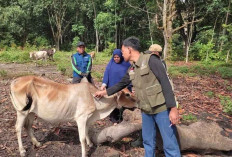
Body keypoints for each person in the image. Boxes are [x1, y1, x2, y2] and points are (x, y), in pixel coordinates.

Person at [95, 37, 181, 157]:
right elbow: (121, 84)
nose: (122, 53)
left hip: (161, 109)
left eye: (123, 50)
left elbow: (165, 83)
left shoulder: (151, 60)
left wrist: (173, 109)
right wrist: (103, 92)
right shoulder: (132, 68)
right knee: (148, 141)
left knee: (169, 143)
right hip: (146, 110)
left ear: (129, 49)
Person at [100, 49, 131, 123]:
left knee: (124, 102)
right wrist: (104, 83)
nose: (116, 59)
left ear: (121, 56)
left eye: (118, 57)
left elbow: (130, 76)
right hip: (112, 87)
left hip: (123, 87)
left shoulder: (127, 64)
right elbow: (106, 73)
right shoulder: (110, 64)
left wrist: (129, 86)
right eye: (115, 57)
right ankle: (114, 119)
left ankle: (124, 118)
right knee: (113, 103)